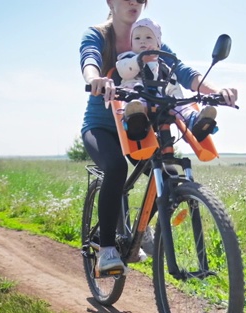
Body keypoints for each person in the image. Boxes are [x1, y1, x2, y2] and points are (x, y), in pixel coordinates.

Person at [80, 0, 238, 275]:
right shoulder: (98, 35)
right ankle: (106, 248)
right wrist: (96, 79)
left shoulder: (150, 39)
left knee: (167, 173)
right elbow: (90, 58)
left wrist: (216, 91)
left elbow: (184, 72)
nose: (134, 2)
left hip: (139, 126)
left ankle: (142, 229)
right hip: (103, 126)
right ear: (110, 2)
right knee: (116, 168)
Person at [115, 18, 217, 142]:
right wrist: (140, 60)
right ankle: (135, 121)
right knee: (135, 104)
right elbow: (124, 71)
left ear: (158, 44)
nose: (142, 41)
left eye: (148, 38)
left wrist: (177, 100)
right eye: (137, 38)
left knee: (181, 107)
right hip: (137, 97)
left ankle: (194, 121)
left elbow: (173, 86)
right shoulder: (127, 58)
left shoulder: (163, 67)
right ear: (131, 43)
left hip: (160, 101)